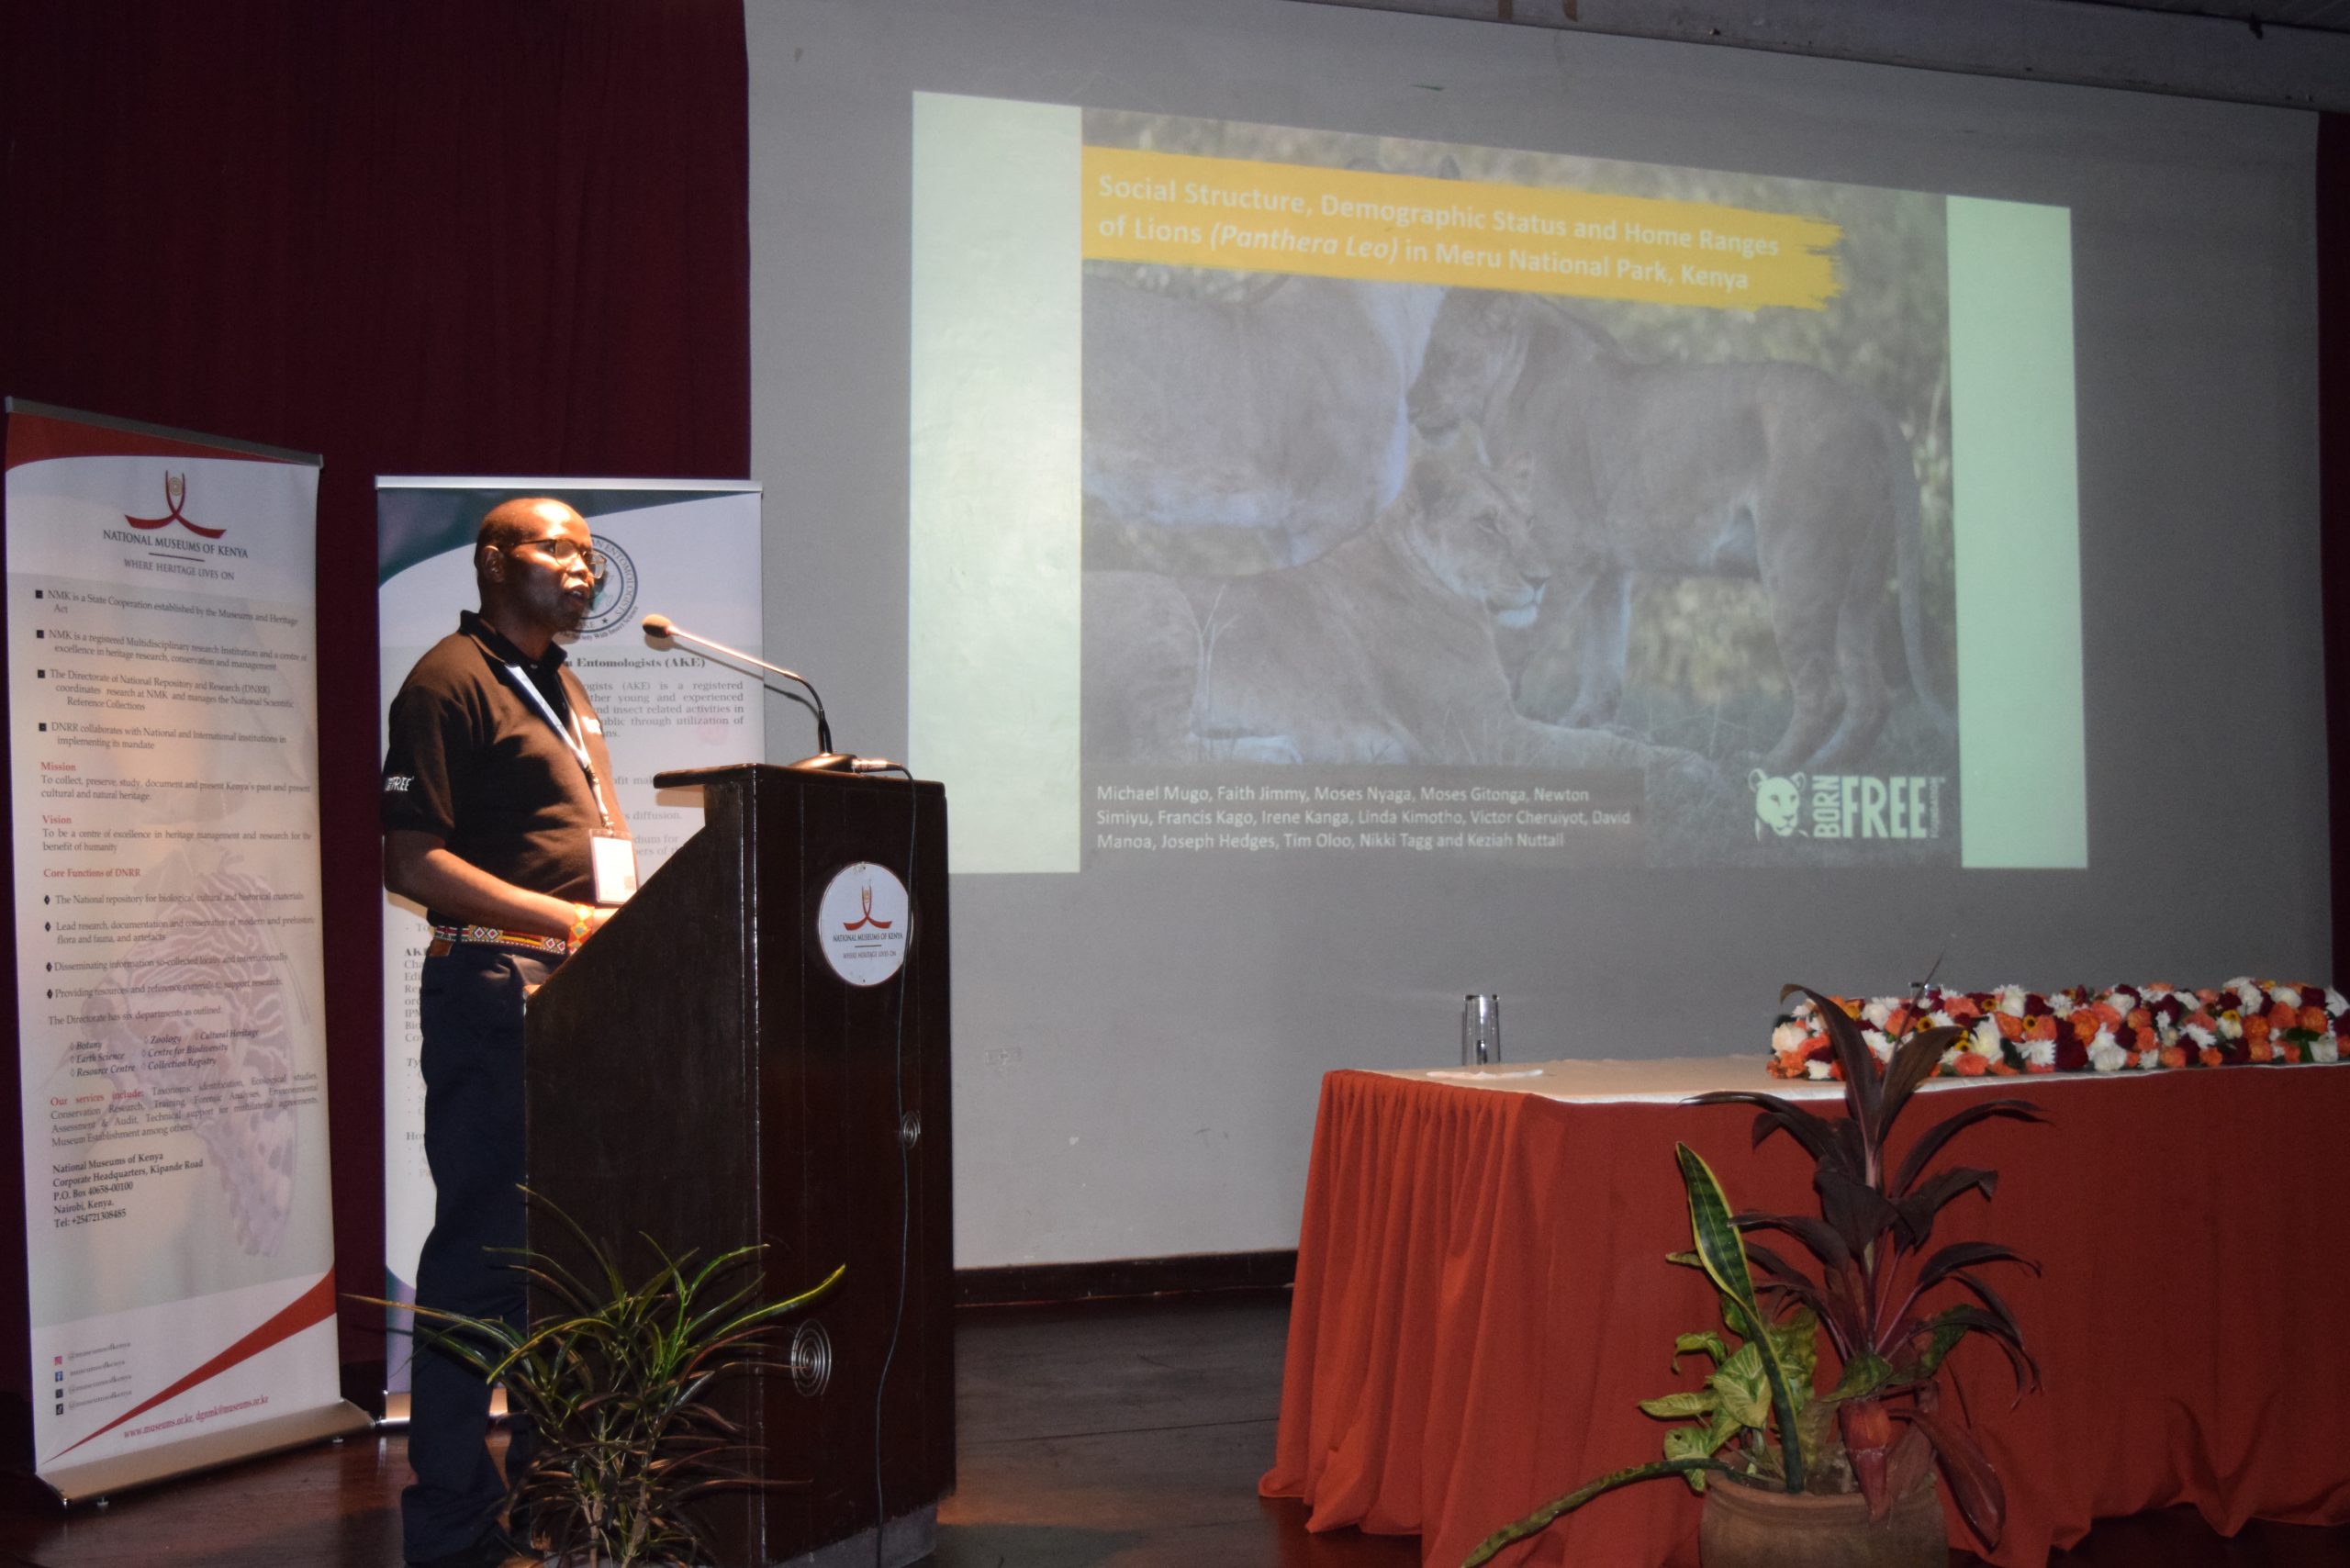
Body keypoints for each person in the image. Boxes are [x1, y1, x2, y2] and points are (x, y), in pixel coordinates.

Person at [380, 497, 634, 1568]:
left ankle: (552, 1494)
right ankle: (450, 1522)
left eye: (589, 556)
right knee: (483, 1260)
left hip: (571, 991)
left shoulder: (563, 682)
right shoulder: (450, 678)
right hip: (493, 983)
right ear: (496, 562)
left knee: (561, 1264)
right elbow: (409, 859)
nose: (586, 572)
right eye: (560, 552)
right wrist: (564, 916)